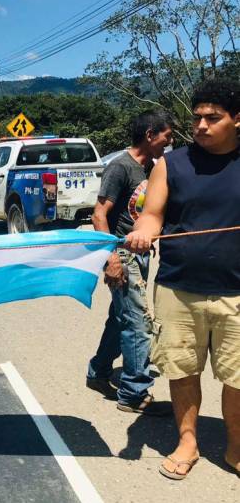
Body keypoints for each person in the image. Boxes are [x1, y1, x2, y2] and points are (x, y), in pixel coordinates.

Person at [126, 79, 240, 480]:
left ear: (237, 119)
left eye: (214, 118)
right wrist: (144, 229)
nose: (203, 126)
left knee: (239, 377)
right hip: (179, 288)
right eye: (197, 118)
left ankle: (235, 447)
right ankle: (188, 441)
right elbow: (153, 214)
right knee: (182, 370)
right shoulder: (169, 165)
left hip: (237, 294)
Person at [86, 111, 173, 416]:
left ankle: (98, 372)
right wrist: (111, 258)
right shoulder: (120, 167)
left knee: (121, 317)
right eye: (167, 135)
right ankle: (134, 392)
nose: (170, 141)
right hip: (121, 253)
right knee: (138, 322)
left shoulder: (152, 168)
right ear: (150, 135)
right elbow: (99, 215)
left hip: (141, 254)